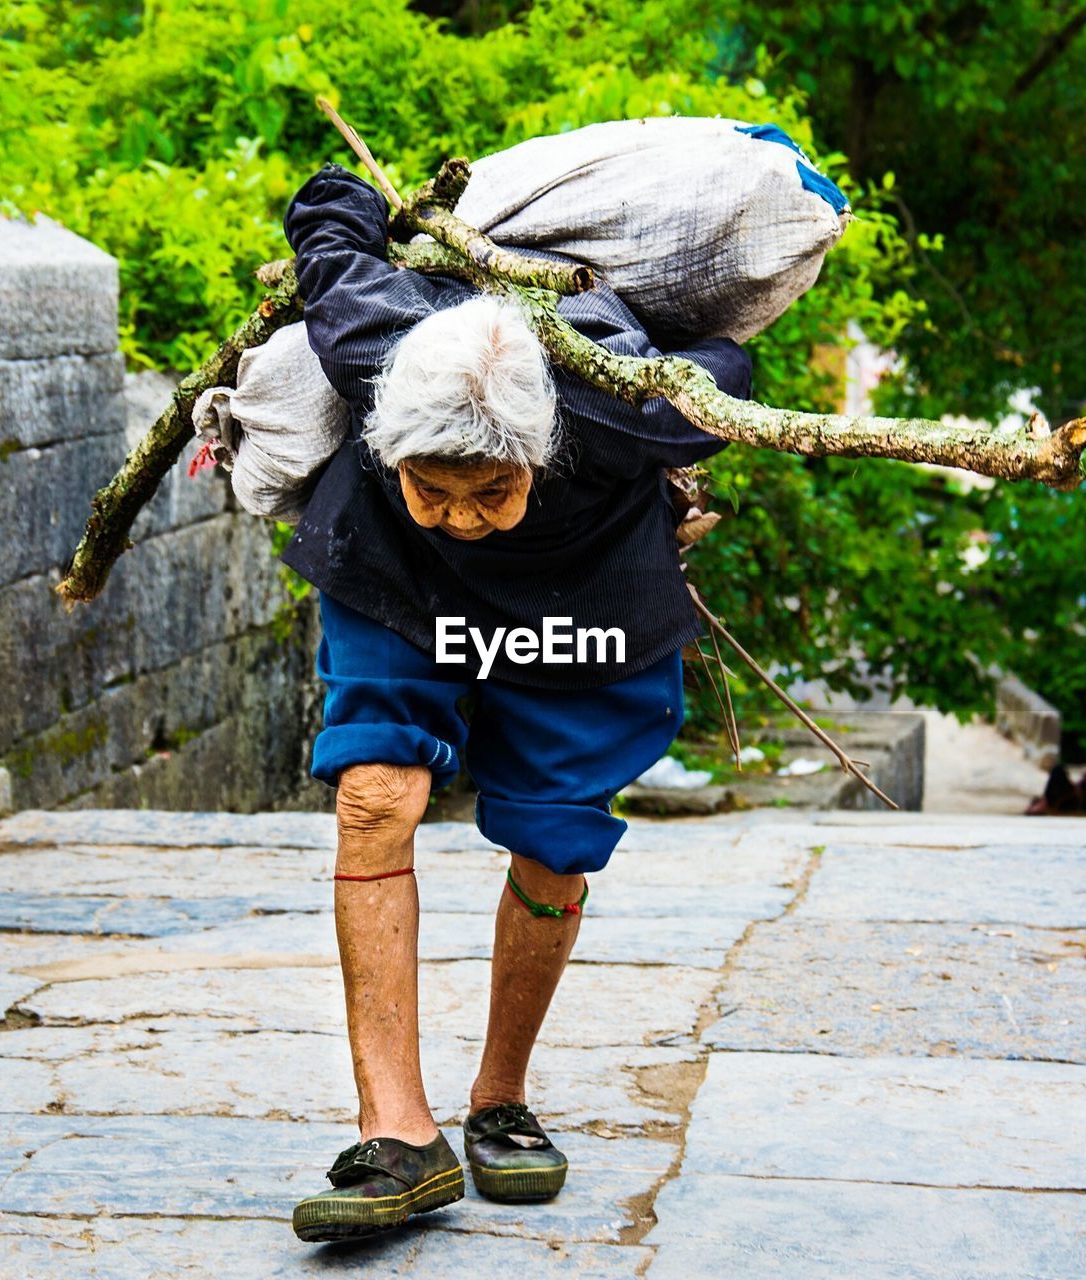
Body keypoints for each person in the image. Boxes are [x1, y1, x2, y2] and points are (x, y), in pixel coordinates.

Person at [280, 163, 753, 1243]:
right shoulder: (371, 348)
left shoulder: (625, 412)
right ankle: (397, 1135)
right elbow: (327, 220)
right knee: (373, 792)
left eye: (488, 491)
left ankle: (500, 1099)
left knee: (552, 837)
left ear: (540, 454)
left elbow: (728, 360)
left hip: (581, 600)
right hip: (396, 589)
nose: (459, 514)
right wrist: (358, 194)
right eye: (431, 487)